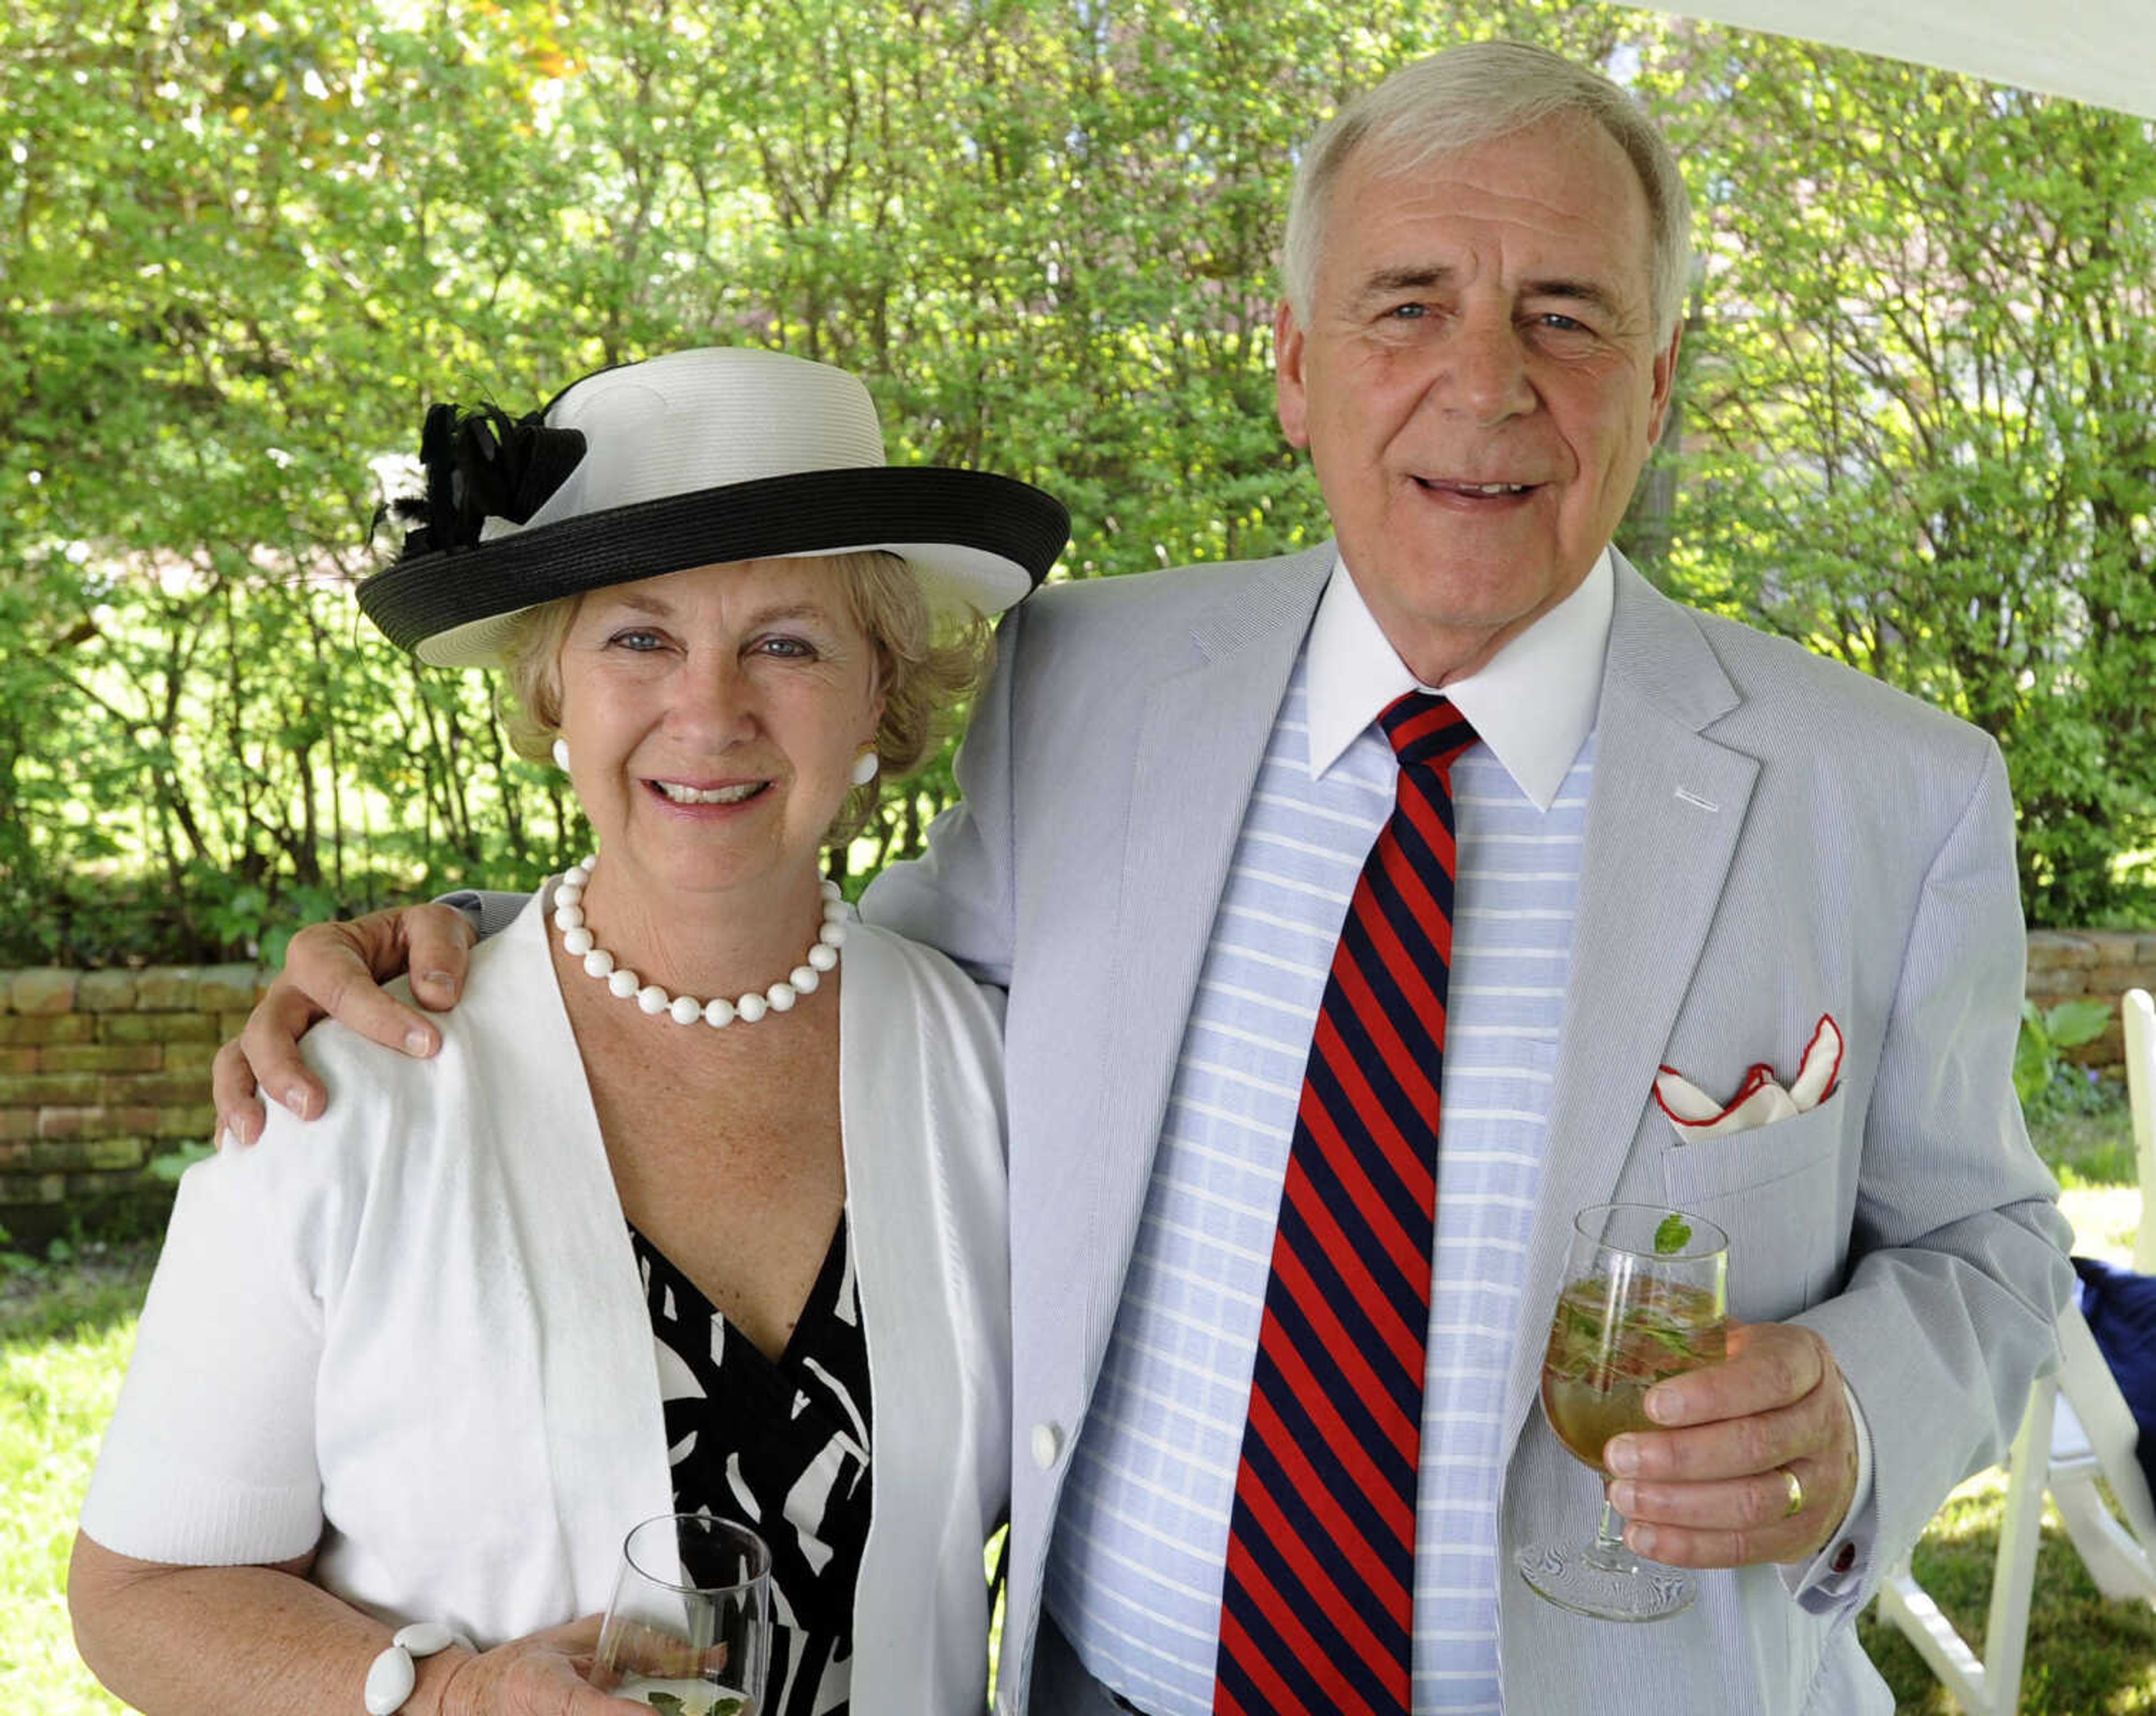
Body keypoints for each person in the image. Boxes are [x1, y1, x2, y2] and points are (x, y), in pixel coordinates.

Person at [210, 42, 2073, 1716]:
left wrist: (1855, 1405)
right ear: (1288, 363)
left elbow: (1994, 1248)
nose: (1486, 384)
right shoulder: (1086, 687)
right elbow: (789, 955)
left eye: (1570, 317)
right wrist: (468, 951)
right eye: (1406, 304)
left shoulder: (1887, 795)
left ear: (1659, 385)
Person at [70, 346, 1070, 1716]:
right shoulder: (345, 1089)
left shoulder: (1001, 1074)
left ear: (882, 702)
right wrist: (444, 1698)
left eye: (787, 641)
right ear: (554, 693)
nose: (709, 712)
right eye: (639, 637)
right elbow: (143, 1595)